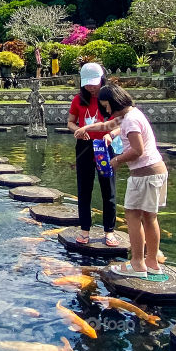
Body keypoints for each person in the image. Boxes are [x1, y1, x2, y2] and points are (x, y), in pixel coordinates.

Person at [76, 82, 168, 280]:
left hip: (145, 174)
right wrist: (86, 128)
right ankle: (151, 263)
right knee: (150, 217)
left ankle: (137, 264)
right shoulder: (130, 115)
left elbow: (137, 150)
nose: (107, 111)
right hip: (156, 171)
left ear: (114, 101)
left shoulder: (131, 121)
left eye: (107, 106)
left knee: (132, 215)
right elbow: (105, 126)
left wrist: (116, 160)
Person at [67, 63, 119, 247]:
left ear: (102, 80)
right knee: (84, 188)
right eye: (87, 84)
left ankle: (109, 231)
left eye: (94, 84)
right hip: (84, 146)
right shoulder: (78, 99)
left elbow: (121, 123)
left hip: (105, 145)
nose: (91, 88)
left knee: (108, 188)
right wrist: (78, 130)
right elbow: (70, 122)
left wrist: (111, 135)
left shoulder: (111, 98)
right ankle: (84, 229)